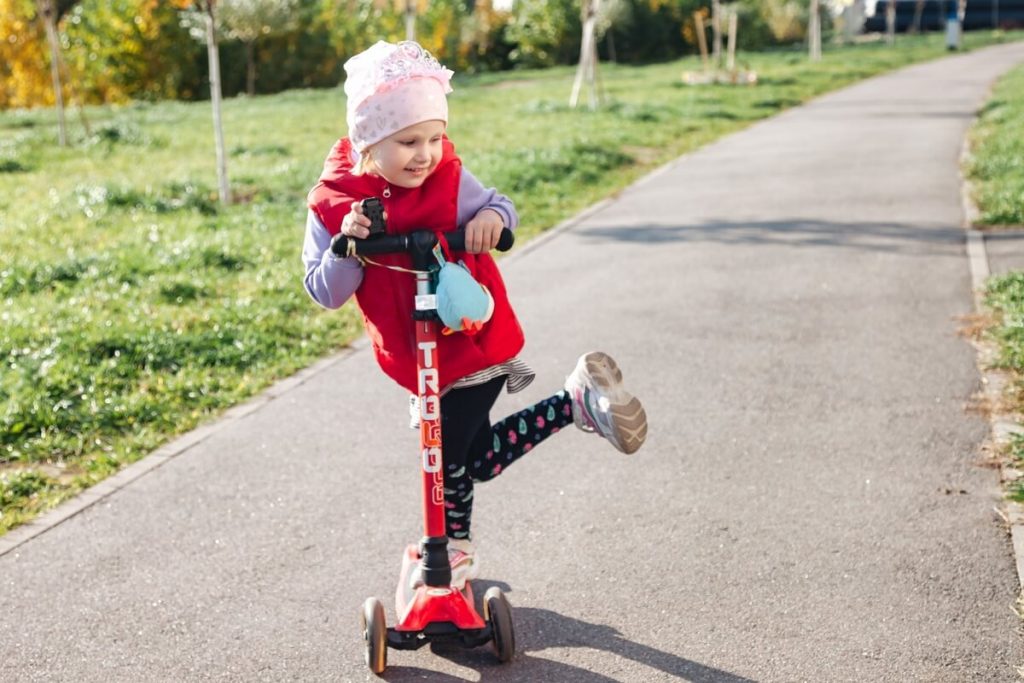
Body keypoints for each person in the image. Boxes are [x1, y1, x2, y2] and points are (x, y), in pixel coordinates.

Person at [301, 40, 647, 588]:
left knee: (449, 454)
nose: (426, 154)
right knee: (472, 457)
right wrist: (348, 245)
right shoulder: (334, 204)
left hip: (473, 341)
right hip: (418, 358)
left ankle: (451, 549)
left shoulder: (450, 181)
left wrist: (489, 217)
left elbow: (502, 207)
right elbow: (325, 291)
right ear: (368, 141)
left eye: (435, 138)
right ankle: (572, 403)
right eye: (409, 141)